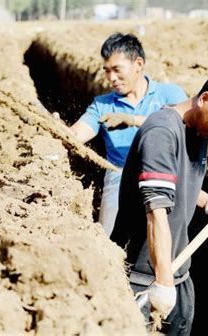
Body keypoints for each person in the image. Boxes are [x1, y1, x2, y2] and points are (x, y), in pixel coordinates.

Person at [111, 66, 208, 335]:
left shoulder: (199, 130)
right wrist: (163, 282)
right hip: (143, 278)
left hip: (178, 270)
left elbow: (176, 185)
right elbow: (156, 212)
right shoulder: (161, 132)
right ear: (205, 99)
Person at [69, 33, 187, 236]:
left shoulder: (169, 94)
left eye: (116, 70)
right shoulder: (103, 104)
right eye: (106, 71)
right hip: (119, 177)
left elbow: (181, 126)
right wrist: (59, 131)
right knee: (106, 239)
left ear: (138, 64)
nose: (111, 78)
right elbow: (76, 135)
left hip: (165, 176)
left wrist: (133, 120)